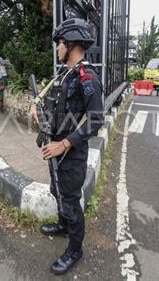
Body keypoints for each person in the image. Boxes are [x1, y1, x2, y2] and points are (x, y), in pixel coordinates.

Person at [30, 18, 104, 275]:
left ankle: (75, 249)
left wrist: (63, 144)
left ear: (71, 44)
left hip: (70, 151)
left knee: (70, 201)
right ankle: (63, 226)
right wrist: (38, 109)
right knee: (57, 189)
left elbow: (96, 120)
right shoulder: (65, 74)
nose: (57, 49)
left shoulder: (87, 77)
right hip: (55, 145)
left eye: (59, 44)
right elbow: (56, 106)